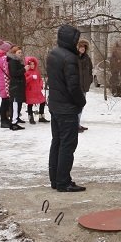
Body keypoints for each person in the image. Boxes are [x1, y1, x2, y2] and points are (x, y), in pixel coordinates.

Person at [46, 25, 87, 192]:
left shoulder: (53, 54)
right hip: (67, 108)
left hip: (55, 105)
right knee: (67, 145)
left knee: (57, 142)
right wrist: (81, 102)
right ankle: (63, 181)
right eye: (76, 39)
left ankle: (56, 180)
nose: (77, 43)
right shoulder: (69, 58)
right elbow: (73, 86)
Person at [7, 45, 27, 130]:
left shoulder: (17, 61)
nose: (21, 54)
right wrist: (24, 69)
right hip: (15, 86)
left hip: (18, 86)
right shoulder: (13, 62)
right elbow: (14, 73)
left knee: (17, 105)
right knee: (15, 105)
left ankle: (15, 121)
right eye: (19, 52)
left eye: (21, 52)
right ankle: (13, 123)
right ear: (14, 53)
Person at [25, 56, 49, 124]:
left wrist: (41, 85)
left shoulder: (37, 72)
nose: (32, 66)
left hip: (37, 91)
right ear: (28, 65)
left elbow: (40, 79)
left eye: (33, 64)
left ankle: (41, 116)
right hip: (30, 91)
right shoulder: (26, 72)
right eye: (31, 64)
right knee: (30, 104)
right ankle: (31, 117)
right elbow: (25, 81)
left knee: (43, 101)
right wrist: (31, 77)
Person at [0, 40, 13, 128]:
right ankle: (3, 120)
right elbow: (7, 71)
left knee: (4, 101)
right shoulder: (4, 58)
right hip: (5, 82)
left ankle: (4, 119)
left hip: (1, 81)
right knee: (5, 102)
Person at [76, 39, 93, 132]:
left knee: (81, 105)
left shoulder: (87, 58)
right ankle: (74, 125)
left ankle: (77, 124)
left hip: (84, 87)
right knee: (76, 106)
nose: (82, 48)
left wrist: (89, 80)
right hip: (76, 87)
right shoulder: (74, 57)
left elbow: (90, 70)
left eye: (84, 47)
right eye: (81, 47)